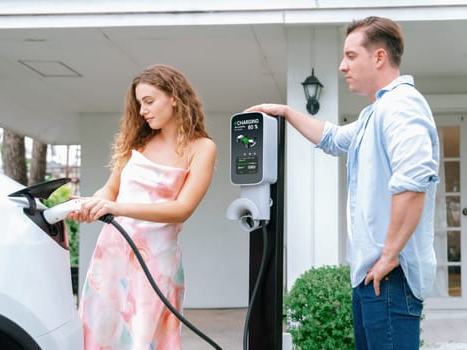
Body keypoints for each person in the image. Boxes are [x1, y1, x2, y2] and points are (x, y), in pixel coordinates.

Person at [246, 16, 439, 349]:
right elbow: (332, 138)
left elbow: (414, 181)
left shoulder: (401, 106)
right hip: (373, 278)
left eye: (351, 56)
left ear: (378, 56)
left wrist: (389, 257)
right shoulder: (374, 114)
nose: (341, 66)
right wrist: (286, 112)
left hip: (391, 279)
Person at [69, 64, 217, 350]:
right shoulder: (137, 143)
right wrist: (93, 203)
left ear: (174, 97)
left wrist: (117, 207)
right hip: (112, 255)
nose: (142, 110)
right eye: (139, 104)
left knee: (144, 339)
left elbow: (182, 208)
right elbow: (110, 189)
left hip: (156, 261)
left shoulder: (201, 148)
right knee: (99, 334)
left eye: (149, 101)